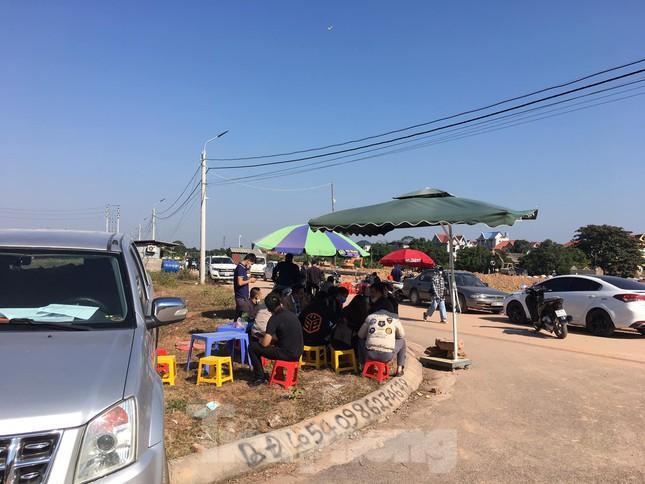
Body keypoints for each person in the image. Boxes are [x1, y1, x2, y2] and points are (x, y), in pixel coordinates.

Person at [248, 292, 304, 386]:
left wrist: (261, 340)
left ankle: (259, 377)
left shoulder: (274, 318)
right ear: (280, 303)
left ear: (268, 309)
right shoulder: (291, 314)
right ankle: (276, 374)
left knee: (252, 347)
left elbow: (265, 344)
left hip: (287, 354)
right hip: (298, 352)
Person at [357, 304, 406, 376]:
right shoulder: (394, 317)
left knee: (360, 340)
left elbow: (360, 335)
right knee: (402, 341)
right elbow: (401, 335)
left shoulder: (370, 317)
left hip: (369, 354)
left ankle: (362, 366)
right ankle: (399, 369)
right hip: (386, 356)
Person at [233, 253, 257, 319]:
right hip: (241, 297)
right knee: (245, 317)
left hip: (242, 296)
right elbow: (240, 283)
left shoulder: (243, 267)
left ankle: (236, 323)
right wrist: (250, 280)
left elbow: (242, 279)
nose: (251, 265)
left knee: (238, 316)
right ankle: (242, 325)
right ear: (248, 260)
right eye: (251, 263)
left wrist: (247, 269)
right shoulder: (240, 268)